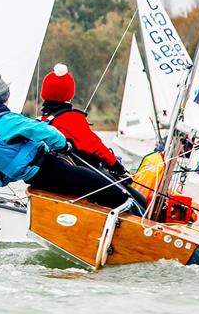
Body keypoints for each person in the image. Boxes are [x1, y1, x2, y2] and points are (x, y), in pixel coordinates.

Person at [0, 70, 140, 211]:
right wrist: (62, 145)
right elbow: (44, 131)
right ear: (5, 96)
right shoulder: (6, 121)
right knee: (117, 192)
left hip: (35, 180)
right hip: (51, 170)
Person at [39, 64, 146, 208]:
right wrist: (118, 167)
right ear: (69, 94)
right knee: (139, 201)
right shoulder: (71, 119)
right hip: (86, 177)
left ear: (44, 93)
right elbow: (96, 147)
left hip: (56, 180)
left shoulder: (41, 122)